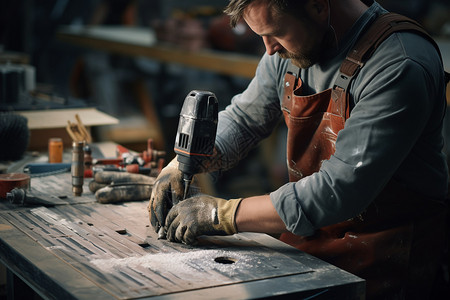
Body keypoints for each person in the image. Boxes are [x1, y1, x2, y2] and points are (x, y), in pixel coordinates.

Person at [148, 0, 449, 298]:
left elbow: (339, 190)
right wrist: (188, 159)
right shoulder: (292, 47)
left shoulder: (399, 64)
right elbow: (245, 120)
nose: (269, 49)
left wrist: (222, 214)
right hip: (312, 240)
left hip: (389, 260)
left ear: (318, 6)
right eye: (262, 36)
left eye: (276, 34)